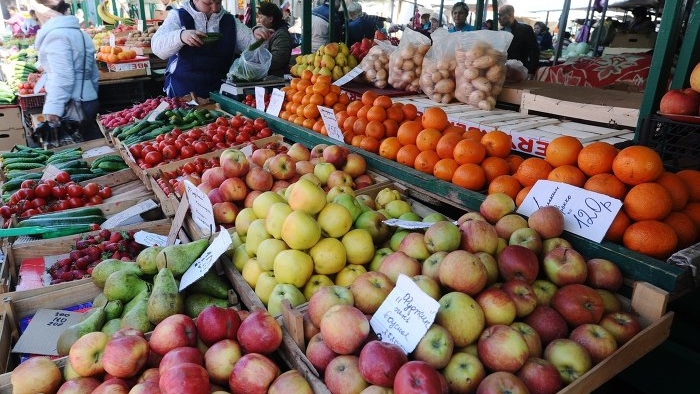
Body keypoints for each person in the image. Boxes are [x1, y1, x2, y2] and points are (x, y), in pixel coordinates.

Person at [151, 0, 271, 98]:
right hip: (183, 93)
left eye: (218, 3)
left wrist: (257, 35)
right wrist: (180, 36)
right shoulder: (178, 16)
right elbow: (157, 47)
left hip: (221, 94)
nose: (214, 8)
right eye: (208, 3)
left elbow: (252, 50)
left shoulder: (230, 21)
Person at [30, 0, 101, 142]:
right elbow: (94, 74)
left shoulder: (55, 36)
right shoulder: (81, 34)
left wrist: (53, 109)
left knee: (72, 151)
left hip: (70, 104)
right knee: (92, 145)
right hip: (87, 99)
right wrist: (90, 94)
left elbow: (62, 77)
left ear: (43, 11)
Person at [498, 4, 540, 77]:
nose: (499, 18)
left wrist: (531, 71)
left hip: (519, 72)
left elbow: (534, 52)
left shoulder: (525, 29)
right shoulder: (500, 32)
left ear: (510, 15)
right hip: (502, 72)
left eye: (501, 15)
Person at [255, 1, 291, 77]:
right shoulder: (268, 32)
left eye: (261, 17)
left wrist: (255, 62)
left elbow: (277, 60)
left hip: (276, 79)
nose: (258, 20)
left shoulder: (281, 35)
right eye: (258, 17)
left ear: (270, 19)